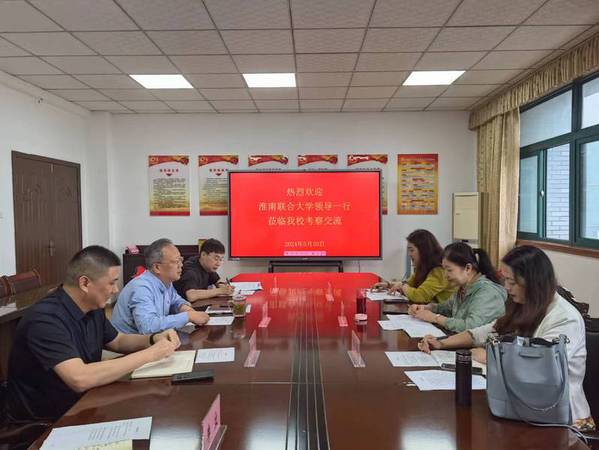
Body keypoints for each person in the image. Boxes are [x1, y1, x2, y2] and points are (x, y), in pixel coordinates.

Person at [418, 245, 595, 431]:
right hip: (522, 406)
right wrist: (441, 343)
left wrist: (490, 357)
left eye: (512, 282)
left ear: (532, 281)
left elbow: (541, 369)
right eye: (505, 280)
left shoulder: (564, 318)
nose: (506, 287)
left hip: (562, 421)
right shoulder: (525, 304)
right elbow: (487, 331)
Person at [6, 246, 181, 423]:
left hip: (84, 402)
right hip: (47, 421)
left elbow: (118, 341)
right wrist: (151, 354)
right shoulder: (45, 319)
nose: (116, 290)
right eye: (111, 283)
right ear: (85, 283)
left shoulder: (92, 306)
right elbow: (80, 378)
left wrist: (153, 339)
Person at [111, 238, 209, 334]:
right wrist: (188, 316)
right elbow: (147, 327)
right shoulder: (141, 288)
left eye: (181, 260)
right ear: (157, 267)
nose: (181, 265)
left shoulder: (166, 282)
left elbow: (176, 300)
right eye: (176, 261)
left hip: (154, 339)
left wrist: (186, 309)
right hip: (130, 343)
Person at [408, 242, 506, 332]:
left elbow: (471, 327)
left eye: (449, 270)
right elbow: (446, 308)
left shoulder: (487, 292)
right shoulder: (463, 288)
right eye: (444, 269)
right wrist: (426, 308)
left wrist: (435, 318)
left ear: (468, 268)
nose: (445, 275)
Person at [372, 229, 455, 304]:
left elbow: (420, 296)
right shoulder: (424, 266)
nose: (409, 254)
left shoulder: (439, 270)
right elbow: (409, 283)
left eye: (411, 250)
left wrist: (402, 286)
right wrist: (388, 285)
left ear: (424, 250)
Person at [174, 238, 234, 306]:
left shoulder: (207, 266)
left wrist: (225, 287)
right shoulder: (190, 270)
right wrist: (220, 291)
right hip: (183, 308)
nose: (218, 263)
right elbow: (191, 296)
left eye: (221, 259)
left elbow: (218, 281)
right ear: (203, 255)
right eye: (216, 258)